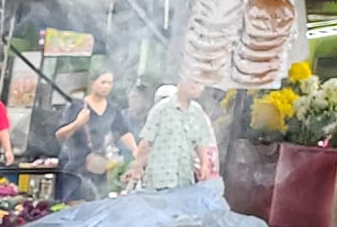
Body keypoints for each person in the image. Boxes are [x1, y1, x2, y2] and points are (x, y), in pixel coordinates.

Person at [53, 66, 137, 201]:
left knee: (98, 203)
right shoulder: (77, 106)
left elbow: (124, 131)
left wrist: (136, 150)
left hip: (98, 166)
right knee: (75, 205)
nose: (106, 86)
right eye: (103, 82)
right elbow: (60, 134)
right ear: (93, 83)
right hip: (75, 166)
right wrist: (78, 123)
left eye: (110, 83)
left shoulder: (112, 109)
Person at [132, 77, 218, 190]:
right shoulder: (161, 109)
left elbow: (200, 142)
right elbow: (146, 141)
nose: (199, 88)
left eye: (201, 85)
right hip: (160, 180)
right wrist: (138, 167)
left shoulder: (197, 112)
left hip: (184, 180)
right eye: (194, 83)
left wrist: (204, 164)